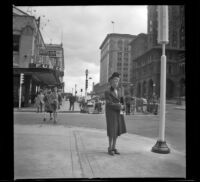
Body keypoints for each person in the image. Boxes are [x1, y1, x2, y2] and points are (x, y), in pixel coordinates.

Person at [105, 72, 127, 156]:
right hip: (111, 114)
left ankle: (114, 147)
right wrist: (119, 106)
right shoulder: (107, 91)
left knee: (117, 131)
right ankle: (109, 148)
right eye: (114, 81)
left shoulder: (119, 91)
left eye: (117, 81)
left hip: (118, 113)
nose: (116, 83)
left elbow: (122, 102)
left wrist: (123, 106)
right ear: (111, 81)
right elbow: (109, 103)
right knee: (111, 131)